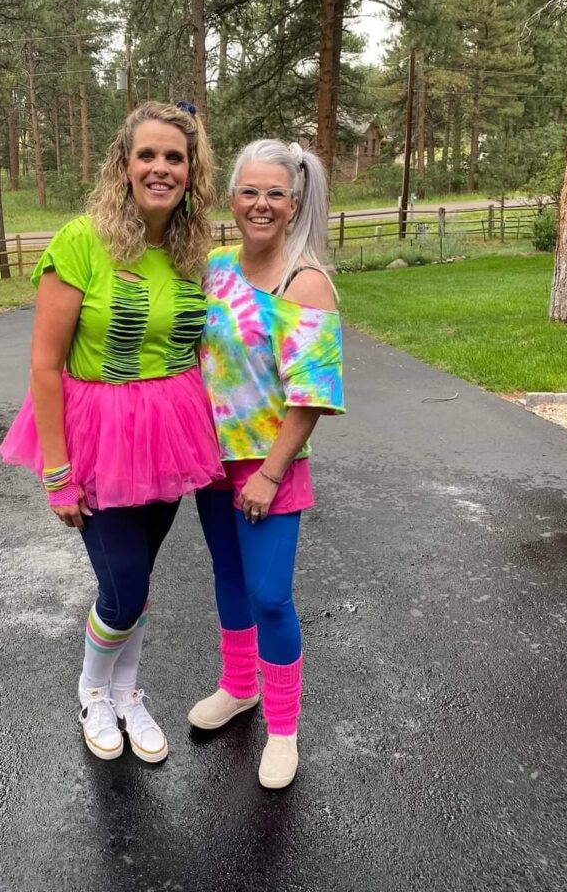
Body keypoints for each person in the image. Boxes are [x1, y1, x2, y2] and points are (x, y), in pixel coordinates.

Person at [0, 101, 223, 765]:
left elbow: (204, 346)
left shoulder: (192, 250)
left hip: (172, 434)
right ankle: (93, 688)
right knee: (122, 585)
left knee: (139, 578)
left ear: (191, 172)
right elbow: (45, 365)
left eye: (174, 157)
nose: (160, 168)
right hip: (96, 437)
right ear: (123, 165)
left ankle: (128, 694)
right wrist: (58, 473)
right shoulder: (81, 241)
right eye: (147, 154)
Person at [189, 139, 345, 789]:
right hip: (211, 459)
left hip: (269, 463)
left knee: (270, 595)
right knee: (229, 578)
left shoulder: (304, 281)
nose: (261, 204)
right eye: (249, 191)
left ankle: (283, 728)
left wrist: (271, 471)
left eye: (274, 193)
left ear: (294, 201)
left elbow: (313, 396)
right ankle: (237, 687)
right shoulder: (216, 268)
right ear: (231, 199)